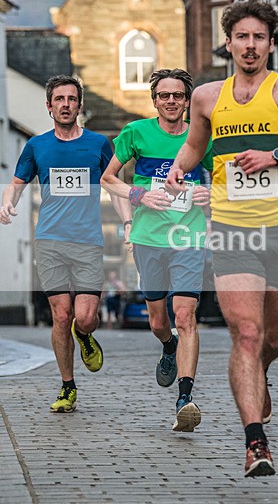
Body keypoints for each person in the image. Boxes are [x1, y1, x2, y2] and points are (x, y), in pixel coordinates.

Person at [164, 0, 278, 477]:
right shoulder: (207, 97)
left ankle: (260, 372)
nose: (249, 45)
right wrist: (179, 169)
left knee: (274, 338)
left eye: (258, 37)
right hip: (230, 230)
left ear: (270, 43)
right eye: (241, 36)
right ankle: (255, 442)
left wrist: (276, 156)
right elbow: (194, 146)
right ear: (228, 43)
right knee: (246, 332)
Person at [0, 75, 129, 413]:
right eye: (59, 99)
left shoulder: (99, 143)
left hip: (88, 242)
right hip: (50, 241)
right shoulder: (36, 146)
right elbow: (16, 183)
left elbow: (115, 186)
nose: (66, 105)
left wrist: (128, 223)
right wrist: (7, 202)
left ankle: (84, 335)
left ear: (79, 105)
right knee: (61, 315)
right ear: (49, 106)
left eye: (72, 99)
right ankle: (67, 386)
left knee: (83, 317)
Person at [100, 68, 212, 432]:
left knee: (185, 316)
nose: (171, 101)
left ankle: (185, 397)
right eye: (164, 95)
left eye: (178, 95)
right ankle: (168, 347)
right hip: (148, 238)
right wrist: (140, 194)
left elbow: (225, 179)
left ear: (187, 100)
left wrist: (209, 193)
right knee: (159, 323)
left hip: (188, 236)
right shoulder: (136, 133)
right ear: (155, 100)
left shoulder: (202, 136)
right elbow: (108, 178)